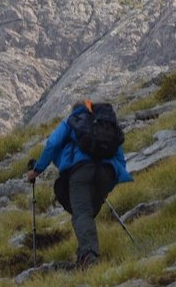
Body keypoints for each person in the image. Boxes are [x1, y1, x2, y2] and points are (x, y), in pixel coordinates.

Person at [26, 100, 132, 268]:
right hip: (106, 173)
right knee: (85, 213)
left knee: (81, 213)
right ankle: (86, 251)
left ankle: (89, 257)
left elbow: (52, 144)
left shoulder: (72, 121)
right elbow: (119, 155)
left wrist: (37, 170)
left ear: (74, 110)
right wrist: (112, 181)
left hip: (81, 171)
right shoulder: (104, 126)